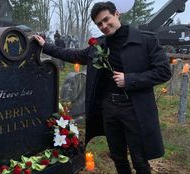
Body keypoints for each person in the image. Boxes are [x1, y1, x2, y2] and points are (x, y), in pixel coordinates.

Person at [34, 1, 171, 173]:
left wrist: (130, 79)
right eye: (99, 24)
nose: (104, 26)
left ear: (116, 14)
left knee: (139, 159)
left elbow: (164, 72)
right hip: (109, 109)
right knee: (118, 157)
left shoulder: (145, 40)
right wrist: (45, 46)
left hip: (134, 109)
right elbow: (72, 54)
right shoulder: (98, 46)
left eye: (107, 19)